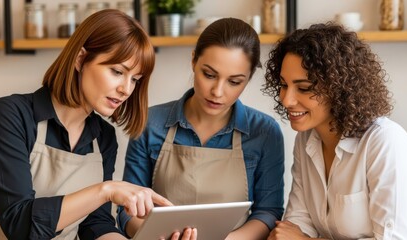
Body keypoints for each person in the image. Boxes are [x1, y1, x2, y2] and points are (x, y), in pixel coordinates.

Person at [0, 9, 180, 240]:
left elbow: (94, 224)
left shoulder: (103, 137)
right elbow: (19, 224)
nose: (126, 89)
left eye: (135, 80)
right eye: (117, 71)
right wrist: (107, 190)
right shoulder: (11, 115)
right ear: (81, 59)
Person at [117, 17, 285, 239]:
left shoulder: (265, 132)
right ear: (194, 60)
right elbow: (128, 210)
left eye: (234, 82)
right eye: (209, 74)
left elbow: (268, 212)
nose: (217, 91)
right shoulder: (150, 123)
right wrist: (156, 236)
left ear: (249, 78)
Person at [263, 22, 407, 239]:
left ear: (339, 88)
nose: (286, 100)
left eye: (304, 88)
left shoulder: (385, 142)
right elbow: (296, 224)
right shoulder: (305, 140)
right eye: (284, 85)